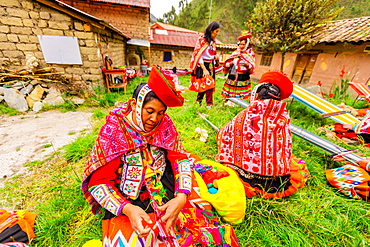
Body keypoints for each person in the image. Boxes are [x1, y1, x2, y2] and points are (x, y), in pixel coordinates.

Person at [81, 65, 239, 247]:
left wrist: (181, 196)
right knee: (133, 240)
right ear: (135, 105)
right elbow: (98, 182)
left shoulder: (165, 125)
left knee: (194, 225)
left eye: (160, 113)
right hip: (128, 195)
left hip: (163, 183)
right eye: (149, 111)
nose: (155, 119)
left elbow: (179, 159)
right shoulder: (113, 132)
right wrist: (127, 209)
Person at [216, 71, 310, 199]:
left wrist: (221, 134)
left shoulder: (250, 113)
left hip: (247, 175)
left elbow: (229, 132)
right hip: (277, 177)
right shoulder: (282, 116)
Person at [189, 21, 220, 109]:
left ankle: (198, 101)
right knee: (209, 84)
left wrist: (215, 56)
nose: (217, 34)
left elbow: (211, 54)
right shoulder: (202, 40)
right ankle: (208, 105)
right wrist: (203, 68)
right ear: (211, 30)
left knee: (205, 84)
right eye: (216, 31)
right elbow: (198, 55)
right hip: (202, 65)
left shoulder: (213, 42)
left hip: (210, 65)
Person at [221, 31, 255, 100]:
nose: (241, 46)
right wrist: (230, 64)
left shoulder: (250, 54)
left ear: (247, 45)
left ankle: (238, 101)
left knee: (240, 90)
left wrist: (247, 65)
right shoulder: (236, 52)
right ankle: (228, 100)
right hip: (233, 74)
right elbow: (226, 64)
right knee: (231, 87)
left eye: (243, 44)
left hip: (243, 76)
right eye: (240, 44)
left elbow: (252, 66)